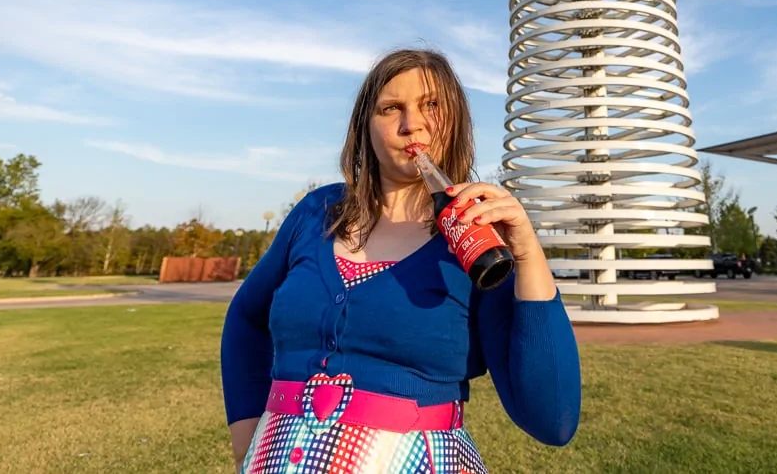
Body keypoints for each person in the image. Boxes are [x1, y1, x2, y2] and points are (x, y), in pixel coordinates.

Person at [221, 48, 582, 473]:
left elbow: (552, 420)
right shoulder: (317, 211)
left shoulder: (476, 238)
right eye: (391, 108)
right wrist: (247, 433)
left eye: (432, 105)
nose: (413, 124)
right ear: (365, 128)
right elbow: (245, 317)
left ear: (456, 121)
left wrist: (527, 252)